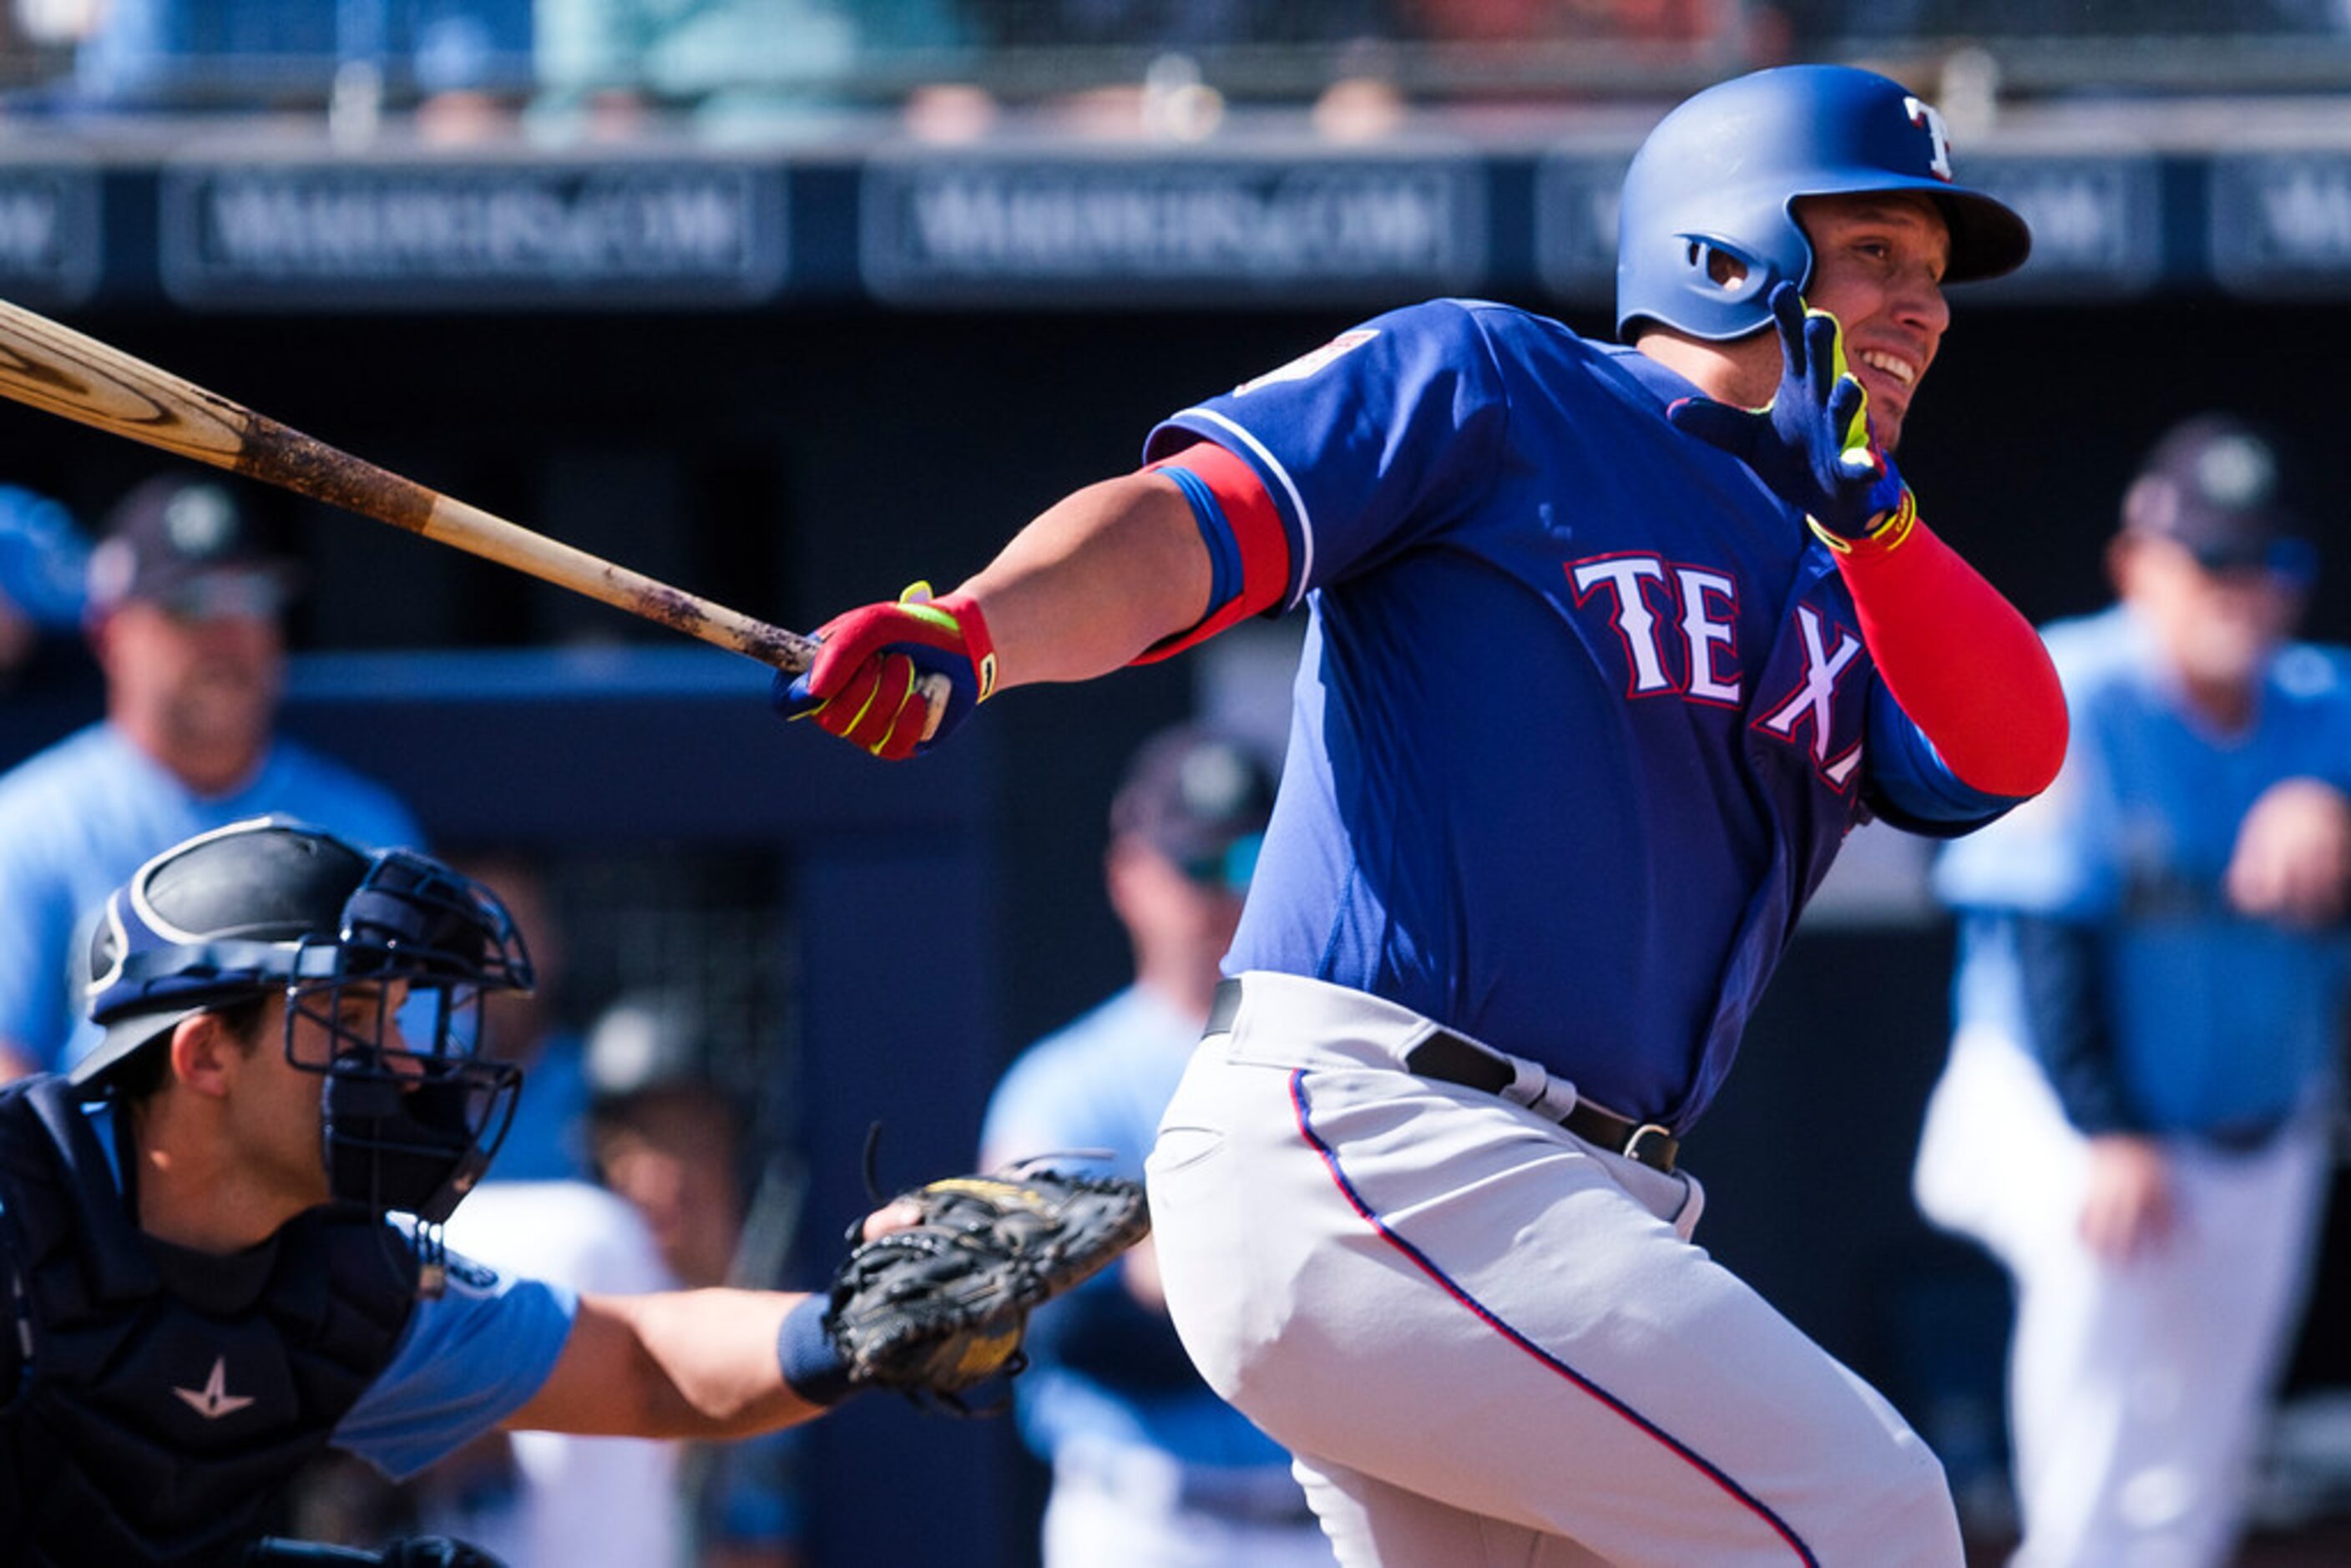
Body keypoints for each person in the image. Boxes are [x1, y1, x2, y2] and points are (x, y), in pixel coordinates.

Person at [777, 61, 2070, 1564]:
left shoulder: (1858, 564)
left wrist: (1883, 531)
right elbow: (1196, 527)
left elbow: (2001, 753)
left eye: (1933, 276)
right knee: (1871, 1511)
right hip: (1382, 1133)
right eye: (1877, 257)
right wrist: (983, 625)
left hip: (1565, 1205)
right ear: (1727, 254)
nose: (1928, 308)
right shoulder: (1498, 385)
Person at [0, 816, 944, 1566]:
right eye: (353, 1019)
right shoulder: (21, 1214)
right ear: (205, 1054)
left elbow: (642, 1370)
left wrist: (855, 1325)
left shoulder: (340, 1278)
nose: (405, 1062)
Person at [1911, 413, 2351, 1568]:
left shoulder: (2323, 703)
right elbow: (2045, 940)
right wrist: (2109, 1132)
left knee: (2198, 1471)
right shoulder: (2079, 685)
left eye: (2272, 561)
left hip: (2256, 1127)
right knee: (2104, 1389)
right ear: (2138, 565)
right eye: (2213, 559)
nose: (2245, 589)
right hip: (2051, 1101)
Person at [979, 724, 1331, 1568]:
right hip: (1148, 1521)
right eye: (1193, 866)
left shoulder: (1339, 1059)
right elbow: (1062, 1318)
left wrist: (1174, 1265)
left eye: (1249, 862)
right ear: (1128, 874)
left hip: (1329, 1523)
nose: (1222, 895)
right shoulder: (1065, 1082)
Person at [0, 473, 422, 1082]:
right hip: (103, 1169)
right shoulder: (28, 825)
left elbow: (416, 1049)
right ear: (109, 632)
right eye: (188, 603)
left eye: (251, 596)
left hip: (316, 1168)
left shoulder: (364, 826)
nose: (227, 634)